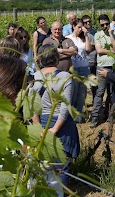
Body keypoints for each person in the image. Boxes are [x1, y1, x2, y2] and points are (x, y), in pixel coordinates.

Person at [31, 44, 79, 191]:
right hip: (62, 125)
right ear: (57, 58)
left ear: (40, 59)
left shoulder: (35, 77)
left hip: (41, 123)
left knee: (43, 164)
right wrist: (54, 129)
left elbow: (33, 106)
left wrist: (38, 127)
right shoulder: (65, 77)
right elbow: (65, 107)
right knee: (61, 166)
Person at [90, 14, 115, 128]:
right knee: (100, 92)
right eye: (102, 25)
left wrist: (111, 35)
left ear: (109, 23)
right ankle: (94, 117)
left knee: (112, 92)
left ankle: (108, 115)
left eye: (106, 24)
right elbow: (99, 50)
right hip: (102, 66)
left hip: (114, 66)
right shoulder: (97, 35)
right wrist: (112, 51)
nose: (104, 26)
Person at [65, 19, 92, 122]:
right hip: (73, 68)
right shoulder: (68, 38)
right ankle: (71, 113)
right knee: (73, 91)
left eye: (82, 27)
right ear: (73, 27)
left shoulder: (84, 38)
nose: (80, 29)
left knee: (82, 92)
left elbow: (88, 49)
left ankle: (79, 113)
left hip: (84, 67)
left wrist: (86, 35)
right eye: (78, 27)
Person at [82, 15, 98, 98]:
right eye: (85, 22)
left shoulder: (96, 32)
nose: (88, 23)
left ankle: (95, 101)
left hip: (95, 60)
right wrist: (94, 44)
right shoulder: (81, 34)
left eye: (89, 21)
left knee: (95, 84)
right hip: (86, 61)